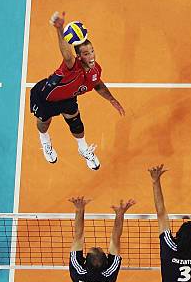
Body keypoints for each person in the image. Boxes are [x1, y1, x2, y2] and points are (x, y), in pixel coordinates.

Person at [30, 11, 125, 170]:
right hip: (46, 97)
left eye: (92, 51)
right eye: (87, 54)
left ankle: (83, 149)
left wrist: (112, 99)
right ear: (79, 57)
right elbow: (67, 54)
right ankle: (45, 140)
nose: (92, 56)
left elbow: (97, 84)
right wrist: (59, 30)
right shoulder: (71, 66)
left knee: (77, 125)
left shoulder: (95, 70)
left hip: (68, 99)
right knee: (44, 123)